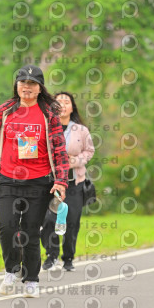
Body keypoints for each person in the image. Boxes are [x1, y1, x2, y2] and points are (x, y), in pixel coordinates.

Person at [0, 65, 69, 298]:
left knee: (30, 231)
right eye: (23, 82)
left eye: (33, 83)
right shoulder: (5, 111)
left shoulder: (48, 114)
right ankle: (12, 269)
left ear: (40, 88)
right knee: (6, 226)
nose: (27, 87)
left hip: (38, 181)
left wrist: (61, 181)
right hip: (7, 178)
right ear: (16, 86)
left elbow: (59, 149)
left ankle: (32, 280)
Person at [41, 91, 95, 272]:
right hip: (50, 183)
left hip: (74, 183)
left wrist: (75, 161)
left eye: (67, 102)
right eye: (58, 102)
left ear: (72, 107)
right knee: (48, 219)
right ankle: (51, 255)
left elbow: (89, 151)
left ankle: (68, 257)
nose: (63, 105)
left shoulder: (81, 130)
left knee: (72, 221)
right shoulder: (46, 127)